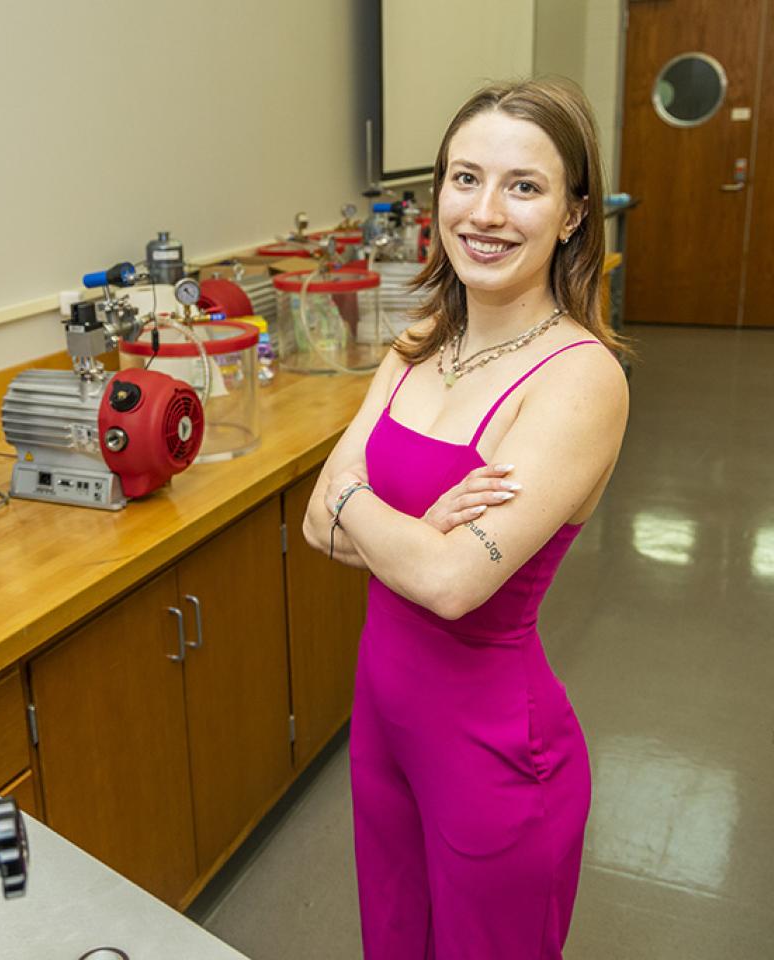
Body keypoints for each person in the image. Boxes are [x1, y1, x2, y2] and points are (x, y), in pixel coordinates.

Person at [302, 78, 629, 959]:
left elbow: (449, 583)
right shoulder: (417, 345)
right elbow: (311, 527)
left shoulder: (580, 378)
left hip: (493, 759)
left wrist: (362, 500)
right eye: (464, 178)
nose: (485, 212)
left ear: (571, 215)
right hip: (382, 736)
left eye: (524, 186)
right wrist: (406, 528)